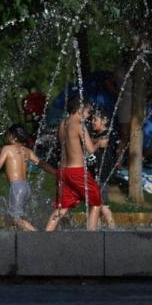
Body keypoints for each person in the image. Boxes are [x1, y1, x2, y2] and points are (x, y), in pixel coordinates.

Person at [45, 96, 105, 232]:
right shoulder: (79, 126)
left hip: (63, 172)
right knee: (96, 202)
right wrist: (99, 143)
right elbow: (90, 150)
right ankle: (91, 236)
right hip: (77, 172)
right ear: (80, 110)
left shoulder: (62, 124)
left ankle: (46, 234)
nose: (88, 116)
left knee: (62, 208)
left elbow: (68, 145)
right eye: (88, 112)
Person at [0, 124, 46, 231]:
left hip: (17, 187)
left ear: (12, 136)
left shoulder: (7, 149)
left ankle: (38, 236)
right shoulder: (27, 151)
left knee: (15, 218)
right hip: (26, 187)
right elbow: (41, 163)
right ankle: (11, 241)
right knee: (11, 218)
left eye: (8, 134)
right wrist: (56, 172)